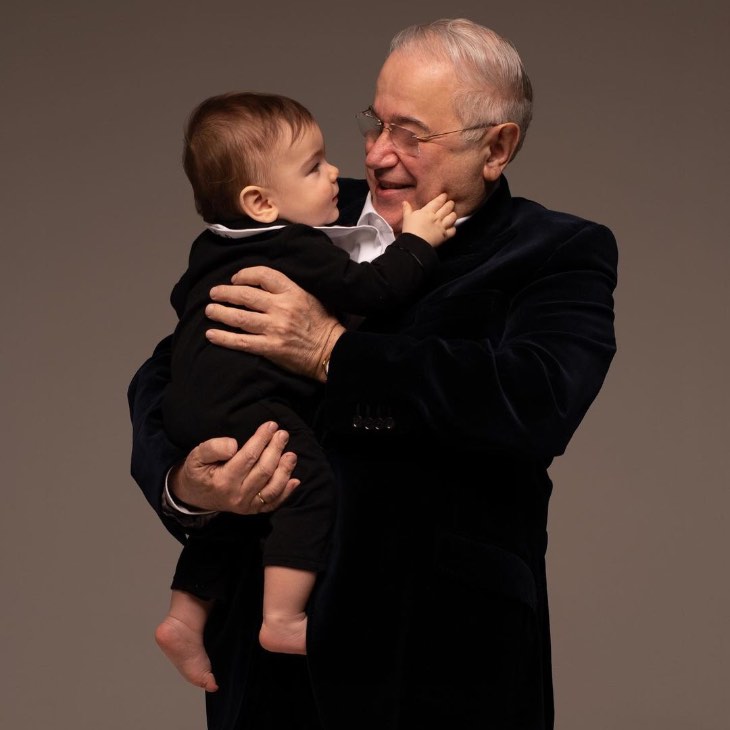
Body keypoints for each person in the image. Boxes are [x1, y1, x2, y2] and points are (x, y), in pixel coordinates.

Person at [127, 17, 618, 730]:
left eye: (411, 134)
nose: (377, 154)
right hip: (266, 665)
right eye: (376, 122)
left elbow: (536, 399)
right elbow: (169, 370)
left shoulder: (560, 251)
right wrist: (186, 485)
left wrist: (332, 352)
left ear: (496, 147)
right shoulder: (301, 206)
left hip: (443, 658)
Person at [153, 91, 457, 692]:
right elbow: (373, 290)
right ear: (262, 203)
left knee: (247, 503)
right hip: (247, 405)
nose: (338, 171)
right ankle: (283, 619)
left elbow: (184, 306)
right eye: (315, 167)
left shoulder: (212, 245)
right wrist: (419, 243)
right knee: (303, 483)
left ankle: (185, 616)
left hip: (193, 405)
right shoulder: (295, 243)